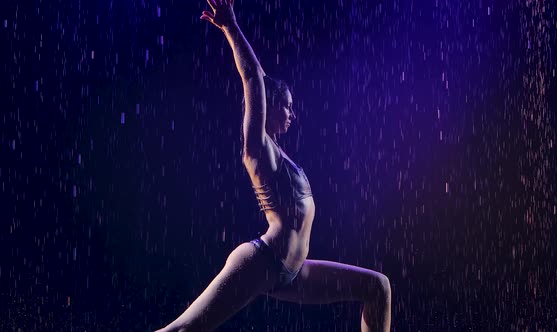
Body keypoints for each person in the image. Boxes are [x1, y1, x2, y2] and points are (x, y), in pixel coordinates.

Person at [156, 0, 392, 331]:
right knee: (183, 330)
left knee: (377, 286)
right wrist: (230, 27)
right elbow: (254, 78)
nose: (293, 115)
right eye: (289, 107)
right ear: (272, 106)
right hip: (263, 261)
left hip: (293, 271)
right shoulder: (259, 148)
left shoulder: (282, 155)